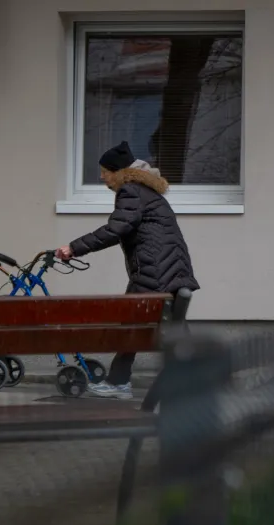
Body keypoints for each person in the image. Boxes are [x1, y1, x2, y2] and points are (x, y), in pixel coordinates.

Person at [56, 141, 199, 400]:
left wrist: (74, 248)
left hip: (154, 270)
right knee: (176, 327)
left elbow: (117, 229)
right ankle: (197, 382)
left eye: (104, 172)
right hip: (174, 269)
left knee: (130, 326)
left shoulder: (130, 190)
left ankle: (118, 382)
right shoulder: (146, 190)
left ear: (117, 171)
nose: (101, 178)